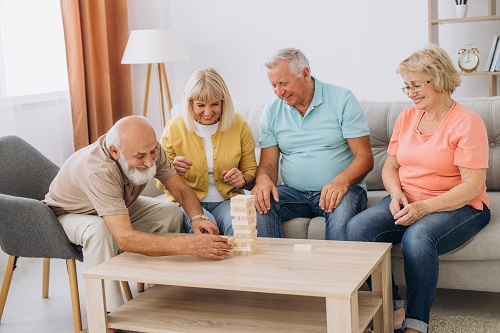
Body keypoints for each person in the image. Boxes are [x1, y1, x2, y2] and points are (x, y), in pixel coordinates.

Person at [346, 44, 491, 333]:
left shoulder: (468, 122)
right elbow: (390, 167)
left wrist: (425, 207)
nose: (410, 93)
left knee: (418, 236)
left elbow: (472, 185)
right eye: (406, 87)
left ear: (438, 79)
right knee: (358, 228)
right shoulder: (407, 117)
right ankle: (392, 306)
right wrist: (396, 193)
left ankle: (416, 322)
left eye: (416, 85)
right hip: (408, 198)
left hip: (461, 205)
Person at [43, 115, 232, 314]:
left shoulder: (148, 149)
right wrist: (189, 245)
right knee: (100, 232)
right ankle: (109, 315)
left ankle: (163, 290)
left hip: (115, 204)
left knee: (169, 213)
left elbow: (182, 191)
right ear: (115, 152)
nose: (150, 162)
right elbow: (124, 239)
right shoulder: (98, 171)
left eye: (152, 152)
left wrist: (197, 218)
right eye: (141, 156)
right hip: (69, 214)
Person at [251, 47, 374, 240]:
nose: (279, 92)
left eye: (284, 83)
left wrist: (341, 181)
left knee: (342, 214)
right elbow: (267, 165)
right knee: (259, 206)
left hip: (343, 190)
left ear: (305, 74)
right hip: (293, 193)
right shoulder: (271, 110)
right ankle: (273, 270)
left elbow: (364, 157)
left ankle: (338, 271)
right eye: (273, 85)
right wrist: (263, 180)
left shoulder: (342, 99)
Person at [157, 68, 257, 235]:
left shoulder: (239, 125)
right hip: (188, 202)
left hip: (228, 201)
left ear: (224, 102)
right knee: (207, 232)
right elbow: (159, 181)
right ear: (190, 103)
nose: (208, 112)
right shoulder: (174, 128)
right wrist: (171, 171)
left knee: (241, 230)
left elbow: (251, 172)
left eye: (215, 104)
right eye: (201, 105)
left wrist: (242, 179)